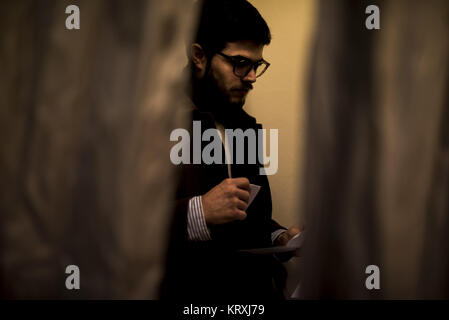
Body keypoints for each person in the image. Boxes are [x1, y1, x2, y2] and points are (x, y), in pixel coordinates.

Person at [161, 0, 300, 300]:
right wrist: (199, 211)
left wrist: (280, 236)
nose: (250, 77)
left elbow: (252, 219)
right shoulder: (153, 122)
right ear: (199, 56)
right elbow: (118, 227)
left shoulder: (245, 126)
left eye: (256, 65)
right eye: (240, 63)